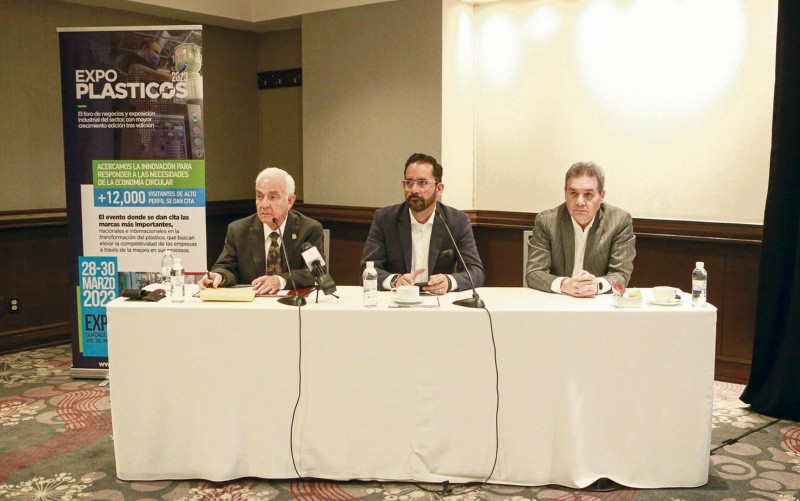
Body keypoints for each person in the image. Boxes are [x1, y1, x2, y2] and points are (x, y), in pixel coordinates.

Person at [360, 153, 485, 295]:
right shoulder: (385, 219)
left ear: (439, 189)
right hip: (397, 299)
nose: (414, 190)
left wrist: (449, 282)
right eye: (409, 182)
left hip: (439, 301)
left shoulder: (457, 222)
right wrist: (395, 281)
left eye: (422, 183)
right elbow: (367, 269)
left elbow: (476, 271)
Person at [199, 167, 324, 295]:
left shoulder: (309, 229)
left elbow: (315, 272)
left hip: (293, 302)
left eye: (272, 197)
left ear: (290, 201)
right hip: (252, 303)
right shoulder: (238, 230)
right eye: (260, 196)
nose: (264, 205)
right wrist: (220, 276)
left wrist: (280, 280)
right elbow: (225, 267)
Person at [525, 161, 635, 297]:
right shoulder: (546, 221)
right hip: (557, 299)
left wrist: (596, 285)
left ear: (601, 196)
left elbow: (621, 274)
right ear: (565, 192)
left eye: (588, 194)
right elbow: (534, 273)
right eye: (573, 193)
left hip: (597, 301)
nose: (580, 202)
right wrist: (564, 284)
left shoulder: (619, 221)